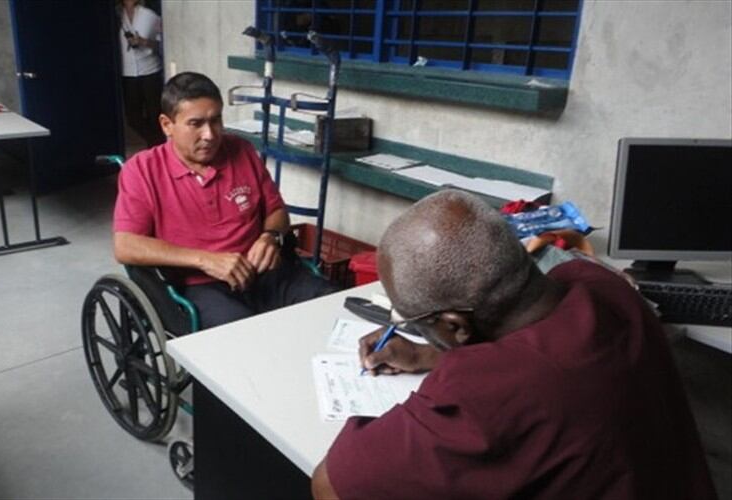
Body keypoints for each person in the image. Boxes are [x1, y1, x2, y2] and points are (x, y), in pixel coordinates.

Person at [311, 190, 716, 499]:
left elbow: (330, 485)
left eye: (408, 319)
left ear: (455, 326)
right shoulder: (601, 285)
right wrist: (425, 355)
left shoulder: (483, 395)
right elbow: (544, 356)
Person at [112, 71, 336, 329]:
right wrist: (206, 260)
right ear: (167, 125)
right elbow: (126, 246)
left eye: (215, 120)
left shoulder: (242, 150)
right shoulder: (142, 170)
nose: (209, 134)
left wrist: (270, 237)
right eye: (196, 124)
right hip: (202, 287)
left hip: (265, 274)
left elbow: (276, 210)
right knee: (242, 340)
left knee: (331, 305)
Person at [118, 0, 166, 147]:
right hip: (127, 72)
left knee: (155, 114)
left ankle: (157, 147)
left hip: (150, 69)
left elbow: (164, 42)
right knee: (133, 118)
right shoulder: (116, 15)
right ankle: (155, 142)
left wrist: (144, 42)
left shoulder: (149, 15)